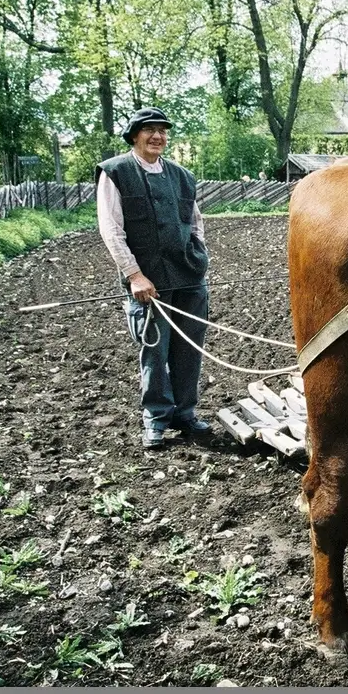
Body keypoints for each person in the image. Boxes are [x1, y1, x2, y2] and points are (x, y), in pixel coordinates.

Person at [96, 107, 213, 449]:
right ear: (134, 135)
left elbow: (195, 222)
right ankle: (156, 419)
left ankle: (185, 414)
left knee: (189, 349)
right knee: (154, 352)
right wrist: (134, 275)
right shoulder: (115, 172)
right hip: (148, 283)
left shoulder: (182, 175)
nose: (157, 136)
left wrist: (199, 256)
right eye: (150, 130)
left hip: (189, 278)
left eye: (163, 130)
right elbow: (111, 229)